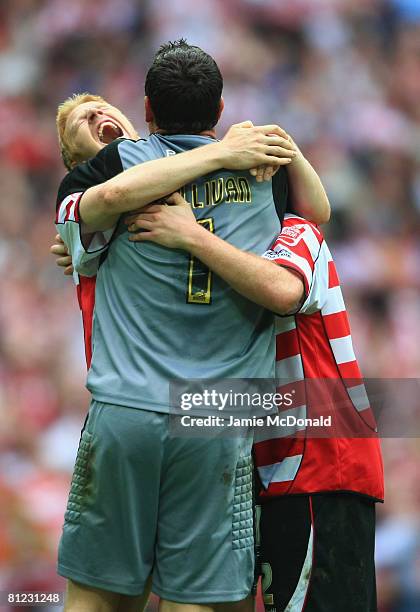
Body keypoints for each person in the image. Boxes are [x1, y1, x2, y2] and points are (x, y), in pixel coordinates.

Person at [54, 40, 329, 612]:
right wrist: (240, 150)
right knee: (197, 600)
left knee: (97, 597)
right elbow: (316, 214)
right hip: (218, 418)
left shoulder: (106, 178)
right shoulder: (265, 176)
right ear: (222, 108)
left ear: (147, 108)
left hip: (126, 409)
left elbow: (102, 207)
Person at [123, 193, 384, 612]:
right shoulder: (223, 249)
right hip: (268, 467)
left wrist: (192, 235)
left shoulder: (296, 232)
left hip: (319, 465)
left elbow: (283, 290)